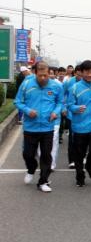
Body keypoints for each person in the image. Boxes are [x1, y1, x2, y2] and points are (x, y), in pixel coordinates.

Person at [14, 61, 64, 192]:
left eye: (46, 75)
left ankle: (43, 181)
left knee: (46, 155)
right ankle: (31, 168)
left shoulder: (56, 86)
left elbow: (60, 102)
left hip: (48, 127)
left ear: (49, 73)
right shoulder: (26, 84)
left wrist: (55, 112)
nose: (43, 78)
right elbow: (17, 101)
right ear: (35, 73)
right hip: (31, 127)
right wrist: (27, 110)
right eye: (40, 75)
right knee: (28, 154)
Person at [67, 60, 91, 187]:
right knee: (79, 154)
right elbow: (69, 105)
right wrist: (76, 108)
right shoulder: (74, 88)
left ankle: (89, 166)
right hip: (79, 127)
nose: (90, 75)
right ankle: (80, 176)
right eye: (87, 72)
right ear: (81, 72)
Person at [63, 65, 82, 169]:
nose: (80, 77)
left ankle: (81, 156)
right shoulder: (69, 82)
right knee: (72, 138)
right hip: (71, 115)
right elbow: (62, 94)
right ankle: (72, 160)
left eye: (81, 74)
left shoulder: (88, 83)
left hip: (84, 116)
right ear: (75, 74)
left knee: (82, 138)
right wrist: (64, 107)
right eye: (78, 74)